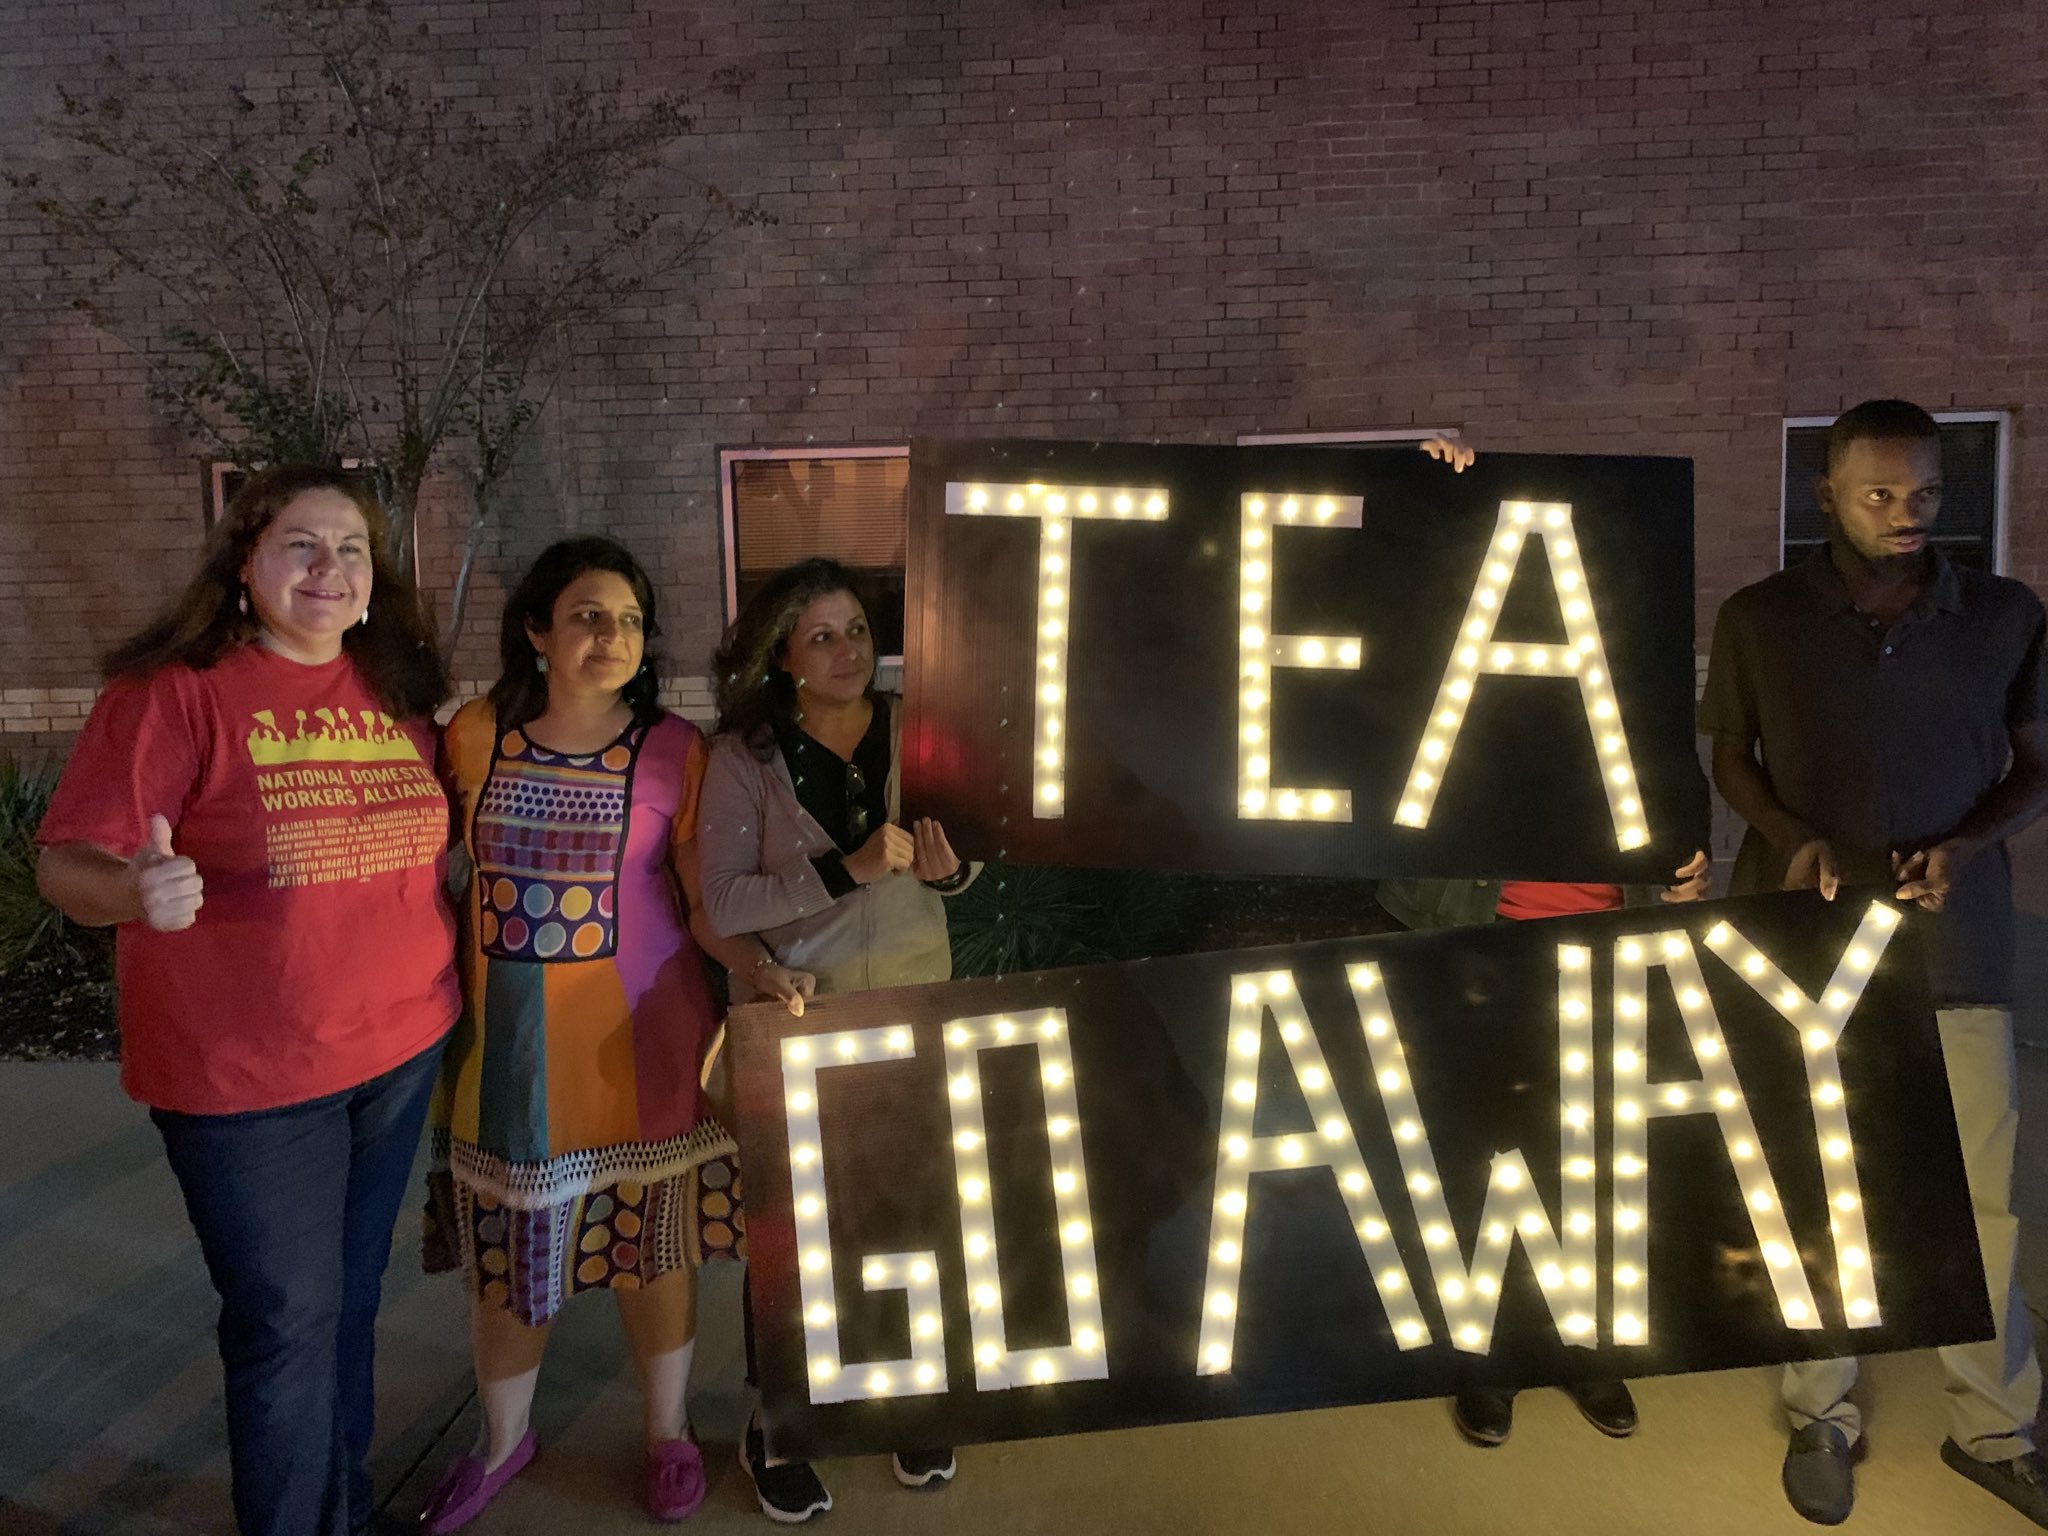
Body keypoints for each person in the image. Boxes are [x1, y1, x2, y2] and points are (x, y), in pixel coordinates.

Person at [35, 465, 458, 1536]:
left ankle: (342, 1508)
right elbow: (67, 865)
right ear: (243, 564)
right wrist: (130, 889)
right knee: (286, 1320)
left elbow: (414, 852)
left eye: (352, 548)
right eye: (301, 545)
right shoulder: (176, 693)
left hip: (400, 1049)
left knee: (349, 1304)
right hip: (249, 1081)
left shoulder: (393, 689)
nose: (330, 567)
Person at [1700, 398, 2048, 1528]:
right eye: (1877, 495)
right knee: (1812, 1186)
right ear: (1826, 495)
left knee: (1976, 1196)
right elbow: (1728, 755)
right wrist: (1790, 838)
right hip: (1803, 946)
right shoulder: (1760, 616)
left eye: (1926, 495)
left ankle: (1991, 1425)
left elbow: (2036, 762)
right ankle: (1818, 1409)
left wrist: (1967, 842)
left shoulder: (1999, 614)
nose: (1905, 516)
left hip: (1953, 941)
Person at [416, 538, 809, 1531]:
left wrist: (754, 966)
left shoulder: (679, 750)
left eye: (629, 621)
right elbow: (418, 879)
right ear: (537, 631)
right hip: (512, 1060)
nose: (611, 637)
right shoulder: (469, 737)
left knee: (651, 1250)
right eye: (588, 616)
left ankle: (667, 1432)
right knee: (509, 1261)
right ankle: (503, 1440)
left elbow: (702, 900)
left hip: (648, 1044)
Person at [1392, 430, 1712, 1448]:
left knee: (1597, 1166)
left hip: (1605, 964)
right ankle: (1487, 1357)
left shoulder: (1634, 707)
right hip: (1479, 959)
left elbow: (1677, 826)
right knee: (1485, 1164)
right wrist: (1440, 483)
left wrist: (1684, 869)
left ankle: (1586, 1350)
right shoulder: (1445, 700)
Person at [697, 557, 977, 1523]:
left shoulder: (918, 721)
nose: (847, 650)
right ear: (781, 653)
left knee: (908, 1213)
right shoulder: (746, 754)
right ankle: (777, 1419)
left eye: (856, 629)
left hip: (910, 1001)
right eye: (820, 635)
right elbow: (724, 897)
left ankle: (903, 1395)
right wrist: (845, 869)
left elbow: (967, 851)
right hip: (798, 1017)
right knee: (793, 1232)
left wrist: (950, 874)